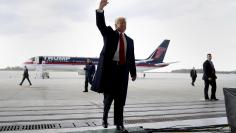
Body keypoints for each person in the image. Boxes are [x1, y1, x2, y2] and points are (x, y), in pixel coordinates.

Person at [91, 0, 136, 132]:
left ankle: (119, 123)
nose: (124, 24)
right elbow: (100, 25)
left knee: (120, 99)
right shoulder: (109, 34)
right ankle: (104, 119)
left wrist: (133, 72)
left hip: (123, 72)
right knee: (109, 98)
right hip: (111, 71)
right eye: (121, 22)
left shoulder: (130, 41)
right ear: (116, 25)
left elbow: (131, 58)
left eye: (125, 23)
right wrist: (100, 8)